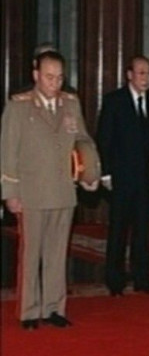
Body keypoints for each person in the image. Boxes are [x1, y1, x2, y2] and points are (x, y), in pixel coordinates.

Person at [1, 51, 98, 329]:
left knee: (57, 253)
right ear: (36, 75)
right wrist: (10, 192)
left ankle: (55, 307)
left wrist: (89, 173)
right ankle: (29, 311)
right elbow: (8, 152)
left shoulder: (71, 104)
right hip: (31, 191)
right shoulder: (18, 107)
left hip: (63, 190)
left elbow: (82, 139)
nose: (54, 83)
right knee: (31, 254)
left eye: (59, 78)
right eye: (49, 77)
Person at [97, 55, 149, 296]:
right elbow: (104, 139)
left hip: (146, 178)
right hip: (121, 177)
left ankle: (143, 280)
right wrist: (105, 173)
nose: (146, 78)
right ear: (129, 75)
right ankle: (115, 281)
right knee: (118, 230)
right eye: (141, 73)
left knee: (144, 230)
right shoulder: (114, 101)